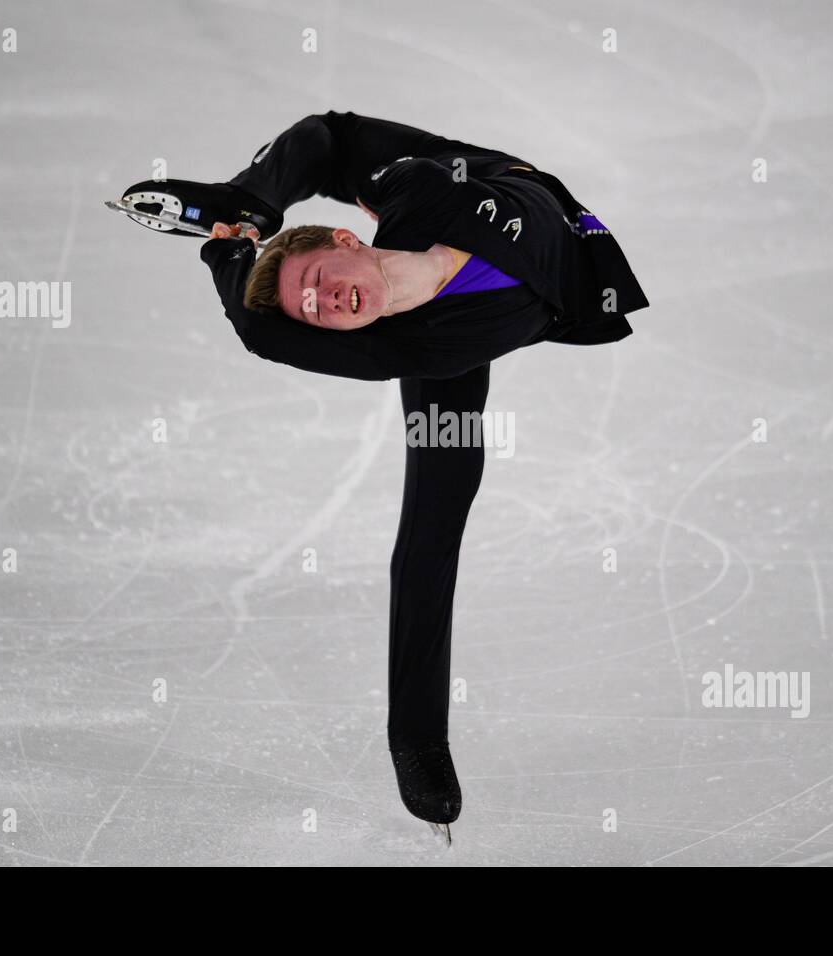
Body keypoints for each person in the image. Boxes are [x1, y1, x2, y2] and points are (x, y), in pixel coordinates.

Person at [195, 111, 649, 839]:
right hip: (453, 350)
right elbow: (260, 334)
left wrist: (248, 206)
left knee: (339, 146)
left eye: (315, 279)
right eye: (310, 312)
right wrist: (228, 264)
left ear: (348, 237)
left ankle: (250, 203)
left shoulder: (419, 190)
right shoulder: (397, 346)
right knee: (432, 530)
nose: (324, 303)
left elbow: (328, 140)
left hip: (503, 183)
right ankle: (417, 739)